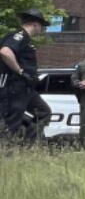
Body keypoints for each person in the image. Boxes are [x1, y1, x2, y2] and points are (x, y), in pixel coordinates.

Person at [1, 10, 52, 143]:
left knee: (43, 112)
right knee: (11, 122)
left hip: (26, 88)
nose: (41, 29)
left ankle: (29, 145)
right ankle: (6, 152)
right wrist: (21, 71)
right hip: (14, 87)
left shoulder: (27, 40)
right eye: (41, 26)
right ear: (36, 24)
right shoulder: (19, 35)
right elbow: (5, 52)